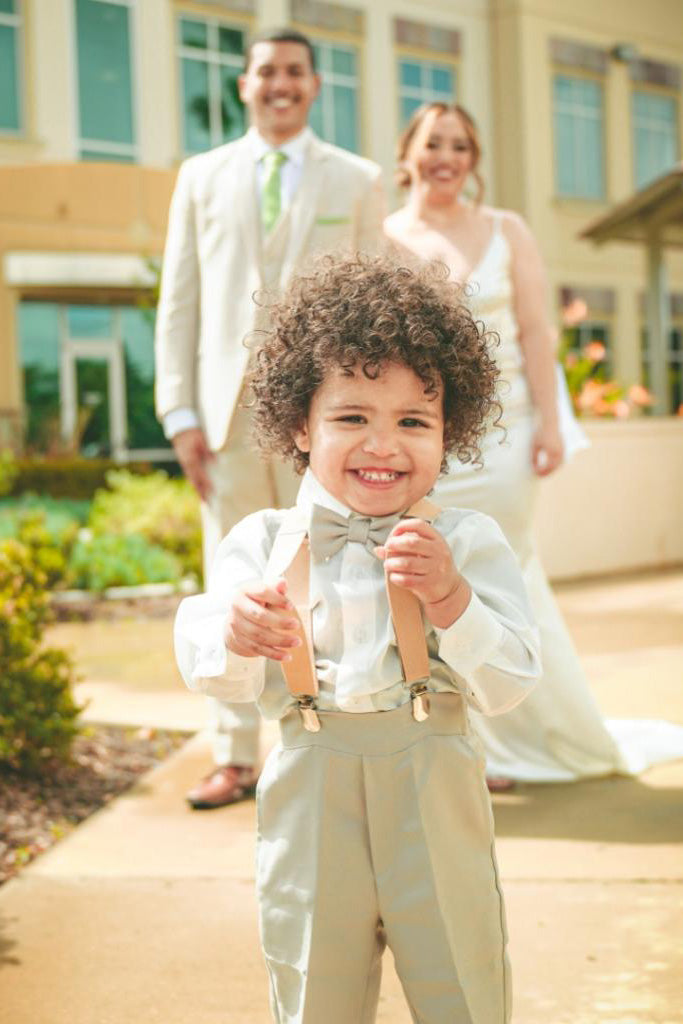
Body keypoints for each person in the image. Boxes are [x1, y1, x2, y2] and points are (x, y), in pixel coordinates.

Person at [174, 253, 541, 1022]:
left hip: (431, 773)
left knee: (461, 975)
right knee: (313, 981)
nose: (383, 445)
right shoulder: (261, 541)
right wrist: (240, 634)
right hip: (311, 777)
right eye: (351, 418)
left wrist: (450, 597)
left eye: (413, 421)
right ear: (300, 428)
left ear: (451, 433)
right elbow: (211, 660)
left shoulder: (467, 540)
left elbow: (509, 684)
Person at [384, 102, 683, 785]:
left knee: (499, 573)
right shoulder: (385, 235)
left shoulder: (505, 230)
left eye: (460, 145)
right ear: (408, 153)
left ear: (473, 160)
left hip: (505, 437)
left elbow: (536, 333)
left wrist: (550, 423)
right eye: (434, 143)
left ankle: (521, 734)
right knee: (425, 577)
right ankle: (462, 739)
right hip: (427, 442)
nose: (446, 157)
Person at [155, 28, 385, 809]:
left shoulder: (355, 180)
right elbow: (178, 299)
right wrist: (179, 411)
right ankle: (232, 755)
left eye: (294, 72)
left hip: (319, 419)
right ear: (244, 85)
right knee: (230, 578)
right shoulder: (201, 176)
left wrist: (360, 421)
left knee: (322, 571)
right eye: (265, 73)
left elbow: (369, 309)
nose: (279, 84)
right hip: (224, 416)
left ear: (314, 85)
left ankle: (319, 731)